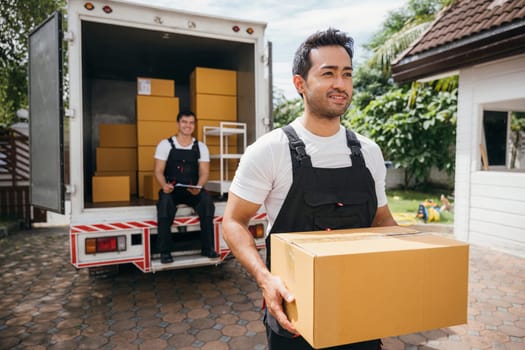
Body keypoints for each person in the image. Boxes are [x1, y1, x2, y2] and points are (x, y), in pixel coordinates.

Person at [223, 28, 397, 349]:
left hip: (360, 310)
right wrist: (265, 279)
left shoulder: (369, 152)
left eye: (346, 74)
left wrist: (407, 260)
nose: (340, 84)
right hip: (295, 315)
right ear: (300, 84)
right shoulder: (270, 150)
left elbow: (382, 219)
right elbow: (233, 222)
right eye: (328, 73)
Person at [154, 110, 219, 263]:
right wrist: (164, 185)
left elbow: (204, 172)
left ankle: (208, 248)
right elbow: (158, 171)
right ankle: (165, 251)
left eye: (191, 123)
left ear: (194, 126)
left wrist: (199, 186)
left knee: (207, 203)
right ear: (178, 124)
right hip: (171, 189)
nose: (187, 125)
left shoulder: (201, 147)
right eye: (184, 122)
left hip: (192, 190)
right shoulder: (165, 145)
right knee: (164, 205)